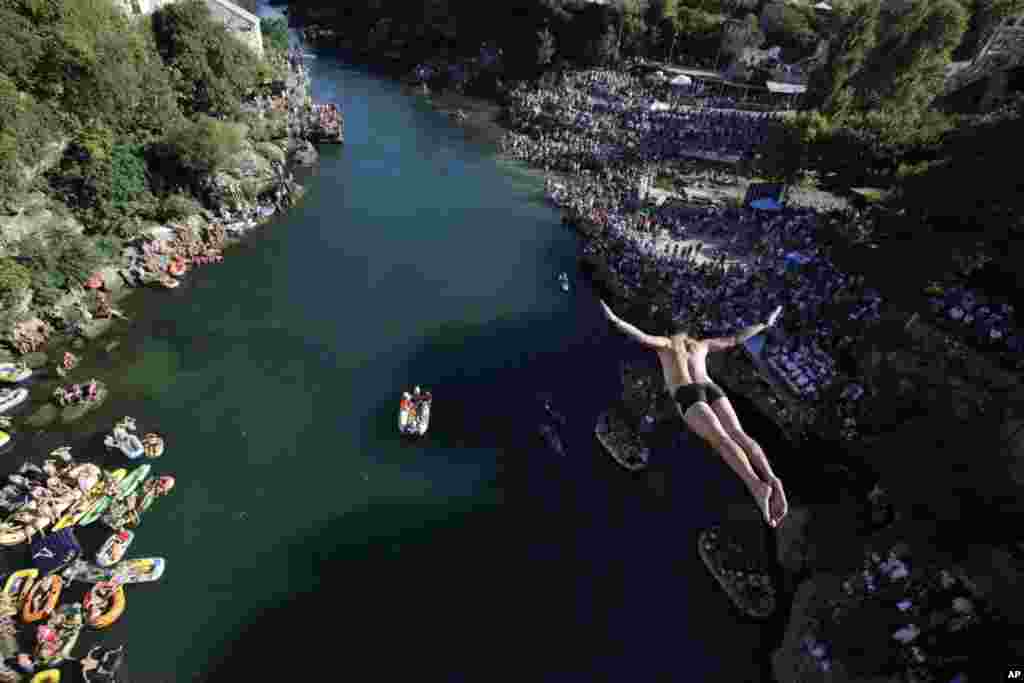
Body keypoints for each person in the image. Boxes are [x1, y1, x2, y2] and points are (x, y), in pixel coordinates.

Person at [599, 299, 788, 528]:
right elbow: (736, 339)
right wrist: (764, 323)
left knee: (721, 441)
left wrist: (615, 319)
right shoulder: (702, 345)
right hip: (711, 387)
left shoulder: (667, 344)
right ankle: (772, 478)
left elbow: (640, 336)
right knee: (739, 433)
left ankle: (757, 486)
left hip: (687, 392)